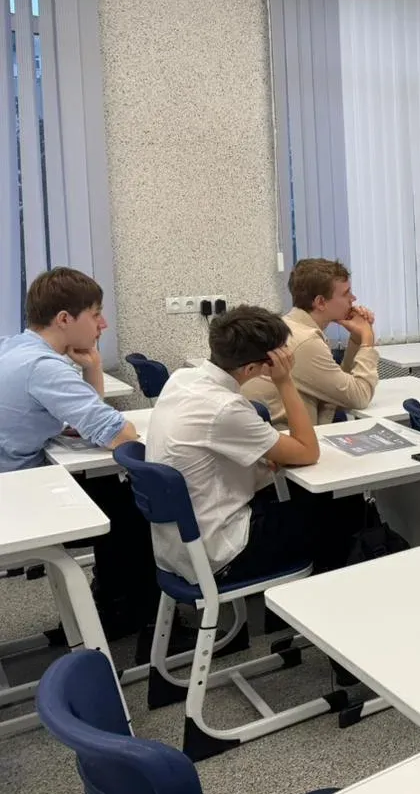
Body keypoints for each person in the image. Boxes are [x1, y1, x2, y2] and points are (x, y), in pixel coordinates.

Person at [146, 306, 359, 585]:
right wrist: (285, 381)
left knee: (305, 499)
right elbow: (308, 451)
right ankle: (319, 596)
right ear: (251, 369)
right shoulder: (225, 408)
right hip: (221, 552)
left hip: (180, 545)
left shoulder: (183, 379)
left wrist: (265, 455)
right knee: (342, 507)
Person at [0, 267, 152, 638]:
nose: (104, 325)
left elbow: (89, 417)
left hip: (15, 482)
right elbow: (119, 434)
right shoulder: (43, 368)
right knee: (136, 507)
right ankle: (133, 615)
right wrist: (113, 426)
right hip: (15, 499)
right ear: (65, 319)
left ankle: (111, 603)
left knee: (112, 493)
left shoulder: (15, 347)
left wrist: (93, 366)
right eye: (96, 314)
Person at [241, 258, 378, 425]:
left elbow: (339, 389)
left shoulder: (291, 327)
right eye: (346, 293)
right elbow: (359, 397)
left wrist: (357, 337)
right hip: (292, 437)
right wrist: (367, 339)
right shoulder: (305, 342)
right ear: (320, 302)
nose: (353, 298)